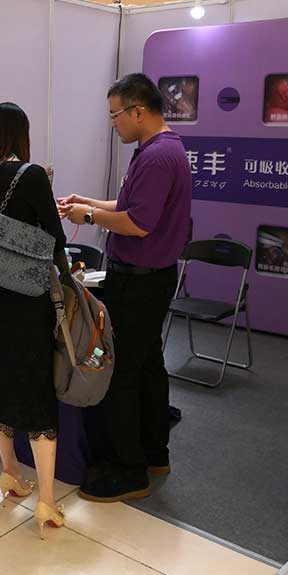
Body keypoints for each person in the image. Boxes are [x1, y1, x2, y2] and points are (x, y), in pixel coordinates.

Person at [58, 73, 191, 503]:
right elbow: (130, 206)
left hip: (139, 282)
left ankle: (129, 470)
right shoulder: (158, 150)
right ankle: (154, 453)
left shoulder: (157, 157)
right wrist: (88, 204)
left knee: (122, 373)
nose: (113, 123)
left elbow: (137, 223)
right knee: (148, 365)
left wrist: (88, 217)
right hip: (149, 278)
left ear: (138, 111)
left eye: (115, 115)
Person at [0, 102, 66, 537]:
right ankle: (46, 500)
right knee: (36, 389)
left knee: (1, 380)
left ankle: (9, 472)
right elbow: (55, 239)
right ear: (19, 134)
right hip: (29, 299)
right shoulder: (32, 175)